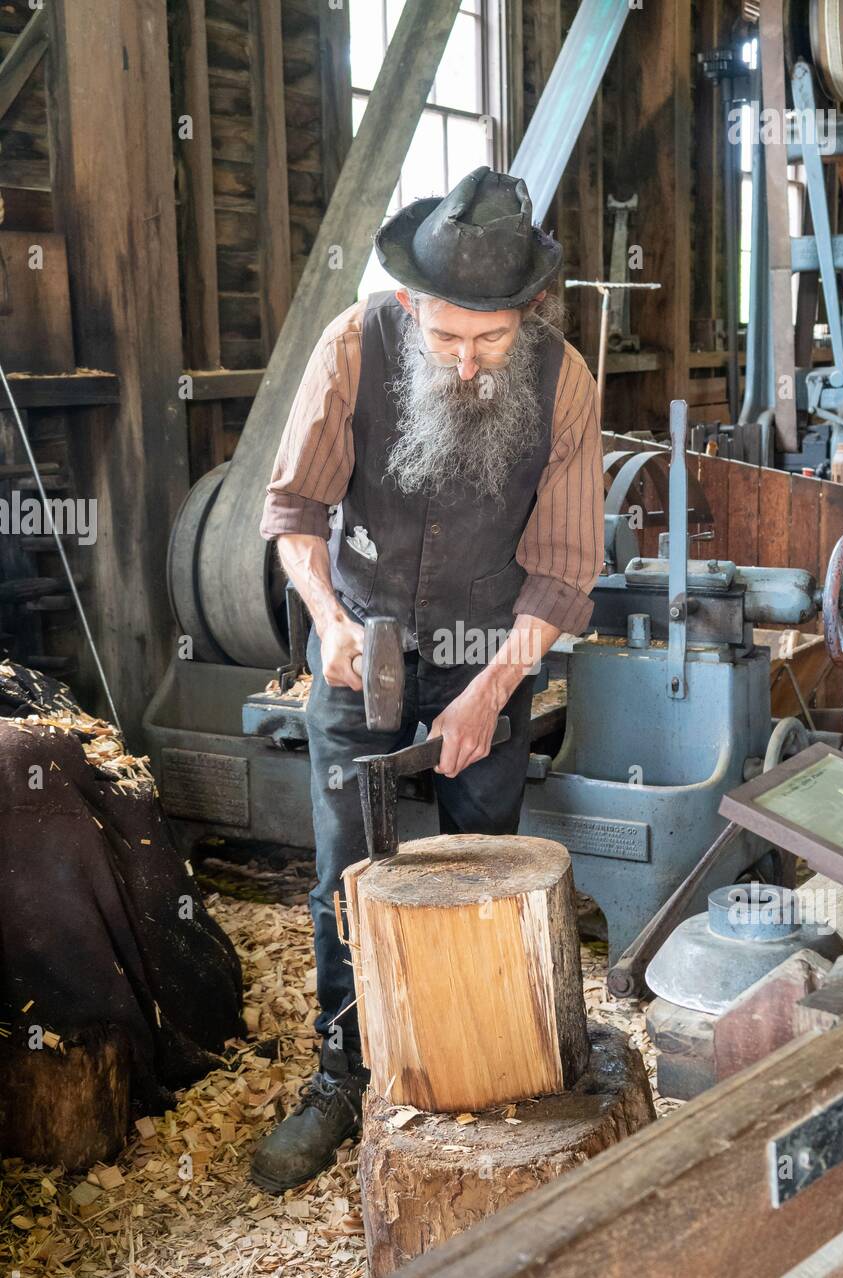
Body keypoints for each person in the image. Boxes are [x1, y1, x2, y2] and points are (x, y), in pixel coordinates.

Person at [250, 166, 603, 1192]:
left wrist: (492, 694)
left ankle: (473, 1065)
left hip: (493, 651)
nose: (466, 362)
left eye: (491, 341)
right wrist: (329, 621)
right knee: (342, 884)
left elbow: (566, 570)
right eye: (447, 336)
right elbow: (293, 511)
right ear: (412, 303)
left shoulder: (564, 381)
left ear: (526, 314)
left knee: (482, 871)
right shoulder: (355, 345)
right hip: (361, 639)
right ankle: (340, 1072)